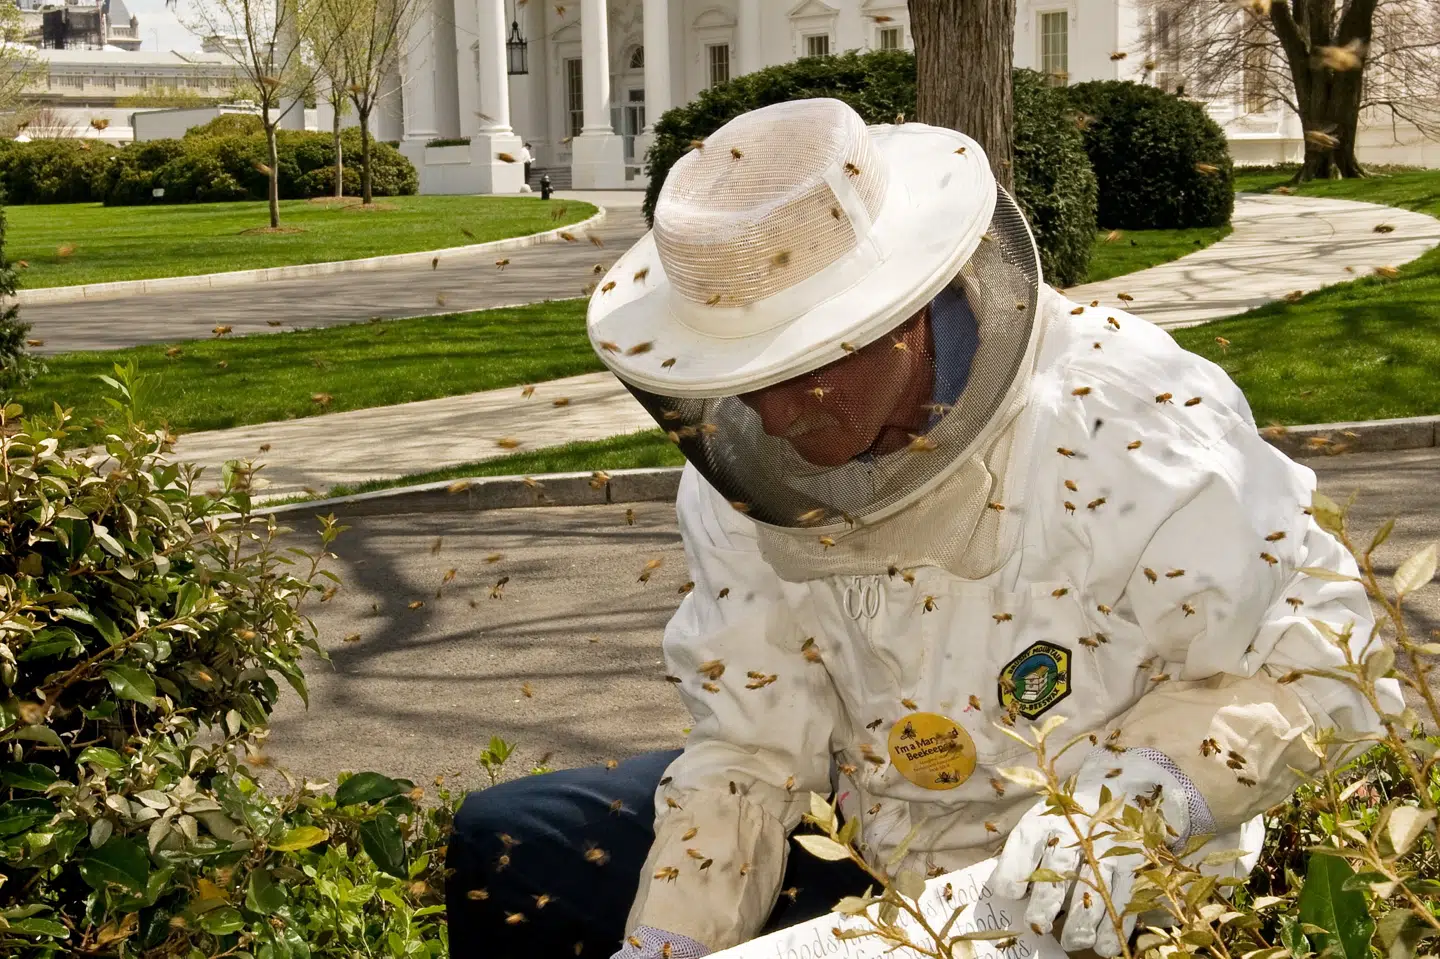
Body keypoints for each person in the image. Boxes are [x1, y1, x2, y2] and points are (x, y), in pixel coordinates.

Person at [445, 99, 1400, 959]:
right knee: (514, 840)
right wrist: (670, 941)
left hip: (1099, 884)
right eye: (735, 381)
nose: (770, 423)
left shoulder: (1127, 414)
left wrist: (1121, 819)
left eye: (793, 374)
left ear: (895, 320)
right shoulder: (744, 472)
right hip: (873, 837)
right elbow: (751, 743)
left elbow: (1319, 662)